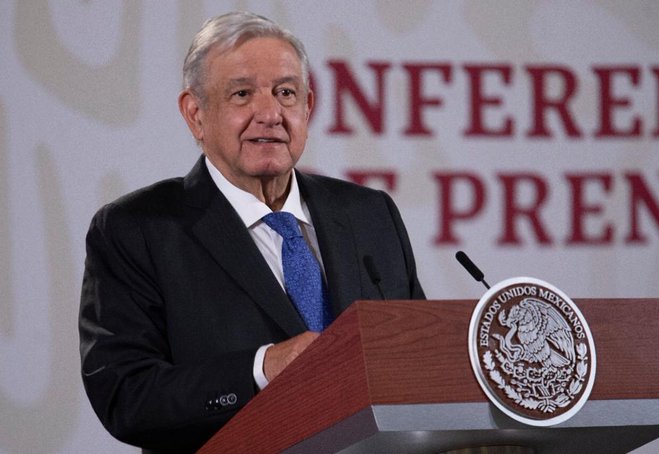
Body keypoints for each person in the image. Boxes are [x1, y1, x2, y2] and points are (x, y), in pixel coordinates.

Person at [79, 11, 425, 453]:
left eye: (286, 93)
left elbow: (418, 360)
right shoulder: (137, 230)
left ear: (307, 107)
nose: (270, 113)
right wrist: (262, 368)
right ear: (195, 114)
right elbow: (127, 397)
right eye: (242, 94)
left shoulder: (370, 214)